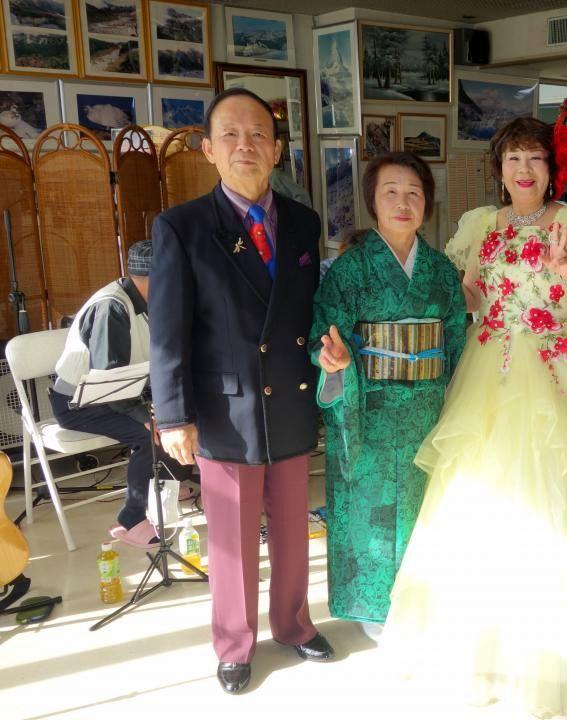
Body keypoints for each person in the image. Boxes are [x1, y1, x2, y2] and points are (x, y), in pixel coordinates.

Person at [381, 117, 567, 717]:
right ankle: (489, 643)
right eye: (514, 158)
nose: (524, 170)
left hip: (562, 366)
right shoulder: (481, 225)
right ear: (500, 168)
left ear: (552, 168)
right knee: (485, 500)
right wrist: (439, 291)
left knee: (566, 500)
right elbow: (472, 293)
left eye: (535, 159)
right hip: (491, 368)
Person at [149, 87, 334, 696]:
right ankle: (234, 644)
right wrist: (172, 415)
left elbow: (309, 310)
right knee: (230, 539)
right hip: (225, 408)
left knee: (292, 529)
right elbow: (168, 332)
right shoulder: (182, 227)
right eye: (230, 134)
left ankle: (294, 624)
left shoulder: (303, 223)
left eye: (258, 134)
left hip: (291, 398)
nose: (245, 145)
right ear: (208, 149)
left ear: (277, 150)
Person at [310, 151, 466, 641]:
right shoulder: (348, 271)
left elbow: (456, 342)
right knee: (371, 509)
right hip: (369, 409)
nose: (403, 203)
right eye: (391, 193)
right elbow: (324, 334)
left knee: (426, 507)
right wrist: (333, 359)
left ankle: (424, 601)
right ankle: (375, 607)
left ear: (427, 204)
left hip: (427, 410)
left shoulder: (441, 271)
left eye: (414, 193)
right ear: (372, 202)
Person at [49, 240, 192, 548]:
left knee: (179, 414)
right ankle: (130, 519)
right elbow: (109, 381)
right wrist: (146, 416)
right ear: (156, 277)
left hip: (122, 393)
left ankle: (167, 483)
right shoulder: (111, 307)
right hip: (80, 402)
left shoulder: (144, 300)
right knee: (151, 434)